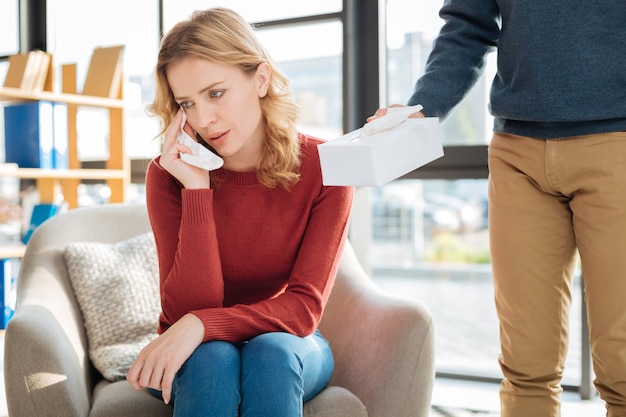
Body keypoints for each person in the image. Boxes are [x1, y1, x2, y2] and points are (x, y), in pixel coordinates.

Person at [372, 1, 626, 416]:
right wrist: (422, 108)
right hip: (517, 151)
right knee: (526, 365)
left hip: (617, 138)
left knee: (623, 364)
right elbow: (468, 24)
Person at [126, 7, 354, 417]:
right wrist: (196, 189)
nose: (204, 119)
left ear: (260, 79)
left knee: (270, 353)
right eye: (187, 104)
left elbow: (302, 309)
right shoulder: (169, 175)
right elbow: (183, 312)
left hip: (285, 341)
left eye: (215, 93)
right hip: (198, 352)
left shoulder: (328, 166)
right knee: (211, 359)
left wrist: (203, 324)